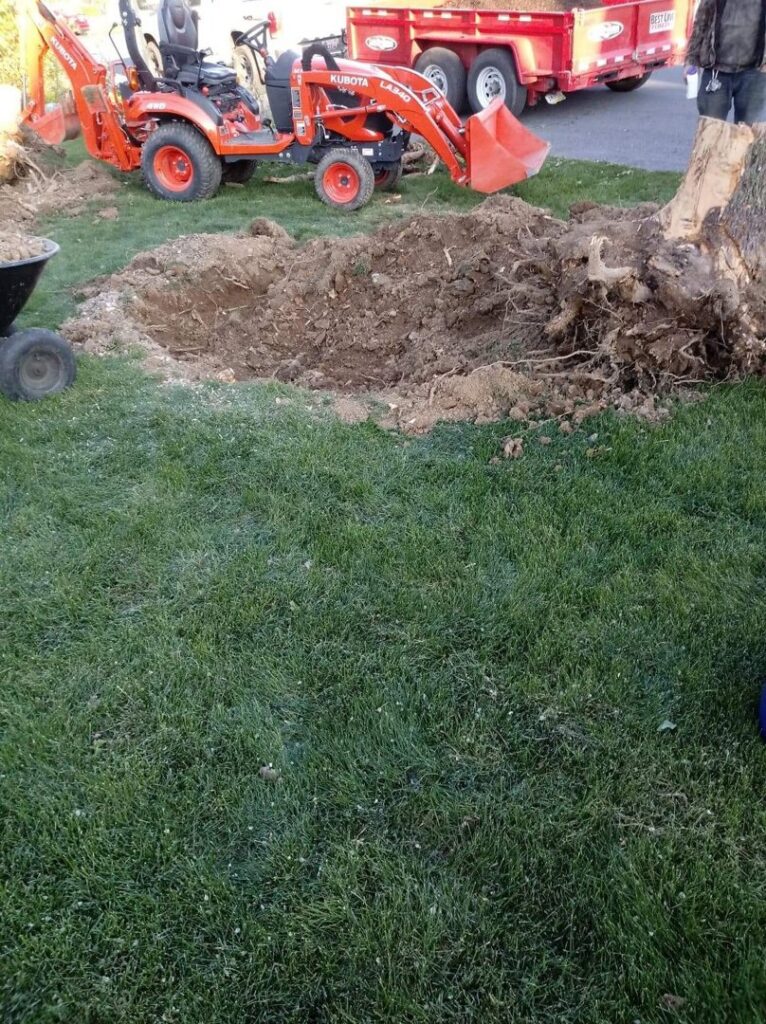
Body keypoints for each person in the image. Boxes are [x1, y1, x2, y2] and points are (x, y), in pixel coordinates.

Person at [686, 0, 766, 124]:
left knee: (748, 137)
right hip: (716, 72)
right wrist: (691, 61)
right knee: (709, 133)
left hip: (754, 71)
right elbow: (702, 19)